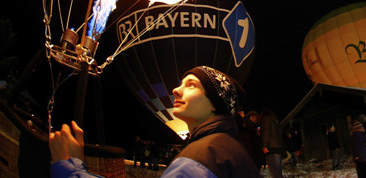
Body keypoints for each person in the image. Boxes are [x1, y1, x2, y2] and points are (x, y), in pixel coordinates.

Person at [49, 65, 261, 177]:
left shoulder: (202, 156)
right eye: (181, 83)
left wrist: (70, 168)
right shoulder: (226, 150)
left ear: (215, 103)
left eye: (192, 85)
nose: (176, 90)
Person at [260, 109, 285, 178]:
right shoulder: (275, 120)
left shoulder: (266, 119)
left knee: (274, 171)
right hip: (279, 148)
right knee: (278, 170)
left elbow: (266, 132)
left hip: (271, 148)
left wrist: (264, 146)